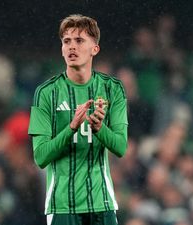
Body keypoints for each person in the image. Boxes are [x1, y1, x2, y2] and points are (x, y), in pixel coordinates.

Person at [28, 14, 128, 225]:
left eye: (79, 40)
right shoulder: (46, 93)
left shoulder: (113, 89)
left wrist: (100, 128)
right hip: (62, 205)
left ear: (95, 49)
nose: (72, 46)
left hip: (102, 202)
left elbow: (120, 147)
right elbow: (40, 156)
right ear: (62, 49)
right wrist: (71, 127)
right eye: (67, 41)